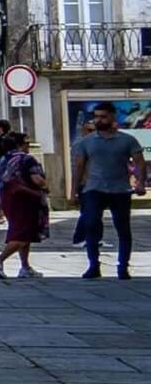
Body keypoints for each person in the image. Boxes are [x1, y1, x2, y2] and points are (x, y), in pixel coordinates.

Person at [67, 104, 139, 280]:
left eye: (103, 116)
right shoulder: (87, 141)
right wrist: (73, 190)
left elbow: (140, 162)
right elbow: (79, 166)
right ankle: (93, 265)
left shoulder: (127, 140)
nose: (99, 120)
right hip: (94, 188)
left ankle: (123, 267)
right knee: (91, 224)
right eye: (97, 116)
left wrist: (141, 182)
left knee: (123, 228)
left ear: (113, 118)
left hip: (120, 189)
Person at [0, 139, 50, 281]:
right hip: (26, 199)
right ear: (20, 145)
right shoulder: (27, 159)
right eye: (27, 144)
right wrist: (45, 187)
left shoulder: (4, 159)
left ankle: (25, 267)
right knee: (23, 233)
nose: (28, 147)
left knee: (22, 231)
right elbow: (37, 179)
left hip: (7, 199)